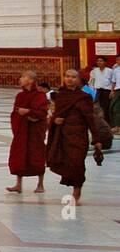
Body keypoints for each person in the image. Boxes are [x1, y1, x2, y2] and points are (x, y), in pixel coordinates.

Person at [46, 68, 106, 205]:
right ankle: (73, 188)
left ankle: (76, 192)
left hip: (79, 136)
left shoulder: (84, 97)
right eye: (67, 76)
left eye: (73, 77)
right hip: (63, 135)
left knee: (77, 163)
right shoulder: (60, 96)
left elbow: (90, 119)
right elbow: (55, 114)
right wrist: (55, 121)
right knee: (65, 162)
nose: (70, 79)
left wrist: (96, 139)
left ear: (79, 80)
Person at [7, 70, 48, 193]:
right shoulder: (20, 95)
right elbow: (15, 111)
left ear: (30, 80)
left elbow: (42, 113)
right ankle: (18, 184)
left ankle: (40, 184)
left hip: (35, 131)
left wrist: (29, 113)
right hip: (22, 130)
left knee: (37, 155)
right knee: (19, 155)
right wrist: (20, 114)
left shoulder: (40, 95)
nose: (20, 79)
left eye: (23, 77)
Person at [88, 58, 112, 125]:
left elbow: (113, 81)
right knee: (97, 107)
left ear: (105, 62)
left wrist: (112, 91)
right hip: (97, 90)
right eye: (98, 61)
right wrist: (91, 92)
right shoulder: (94, 71)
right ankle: (98, 123)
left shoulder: (110, 71)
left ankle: (108, 123)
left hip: (107, 91)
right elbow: (91, 82)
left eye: (101, 61)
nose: (99, 62)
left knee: (106, 107)